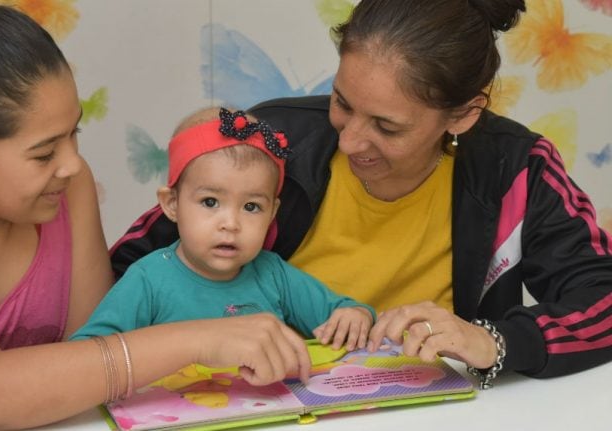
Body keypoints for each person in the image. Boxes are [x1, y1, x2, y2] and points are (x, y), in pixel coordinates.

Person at [0, 1, 312, 429]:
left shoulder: (69, 188)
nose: (71, 164)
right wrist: (199, 340)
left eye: (74, 133)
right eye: (44, 152)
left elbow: (91, 353)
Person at [110, 0, 612, 389]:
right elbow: (123, 271)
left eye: (387, 127)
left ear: (462, 114)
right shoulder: (270, 142)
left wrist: (490, 340)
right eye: (341, 103)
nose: (348, 141)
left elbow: (602, 298)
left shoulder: (515, 167)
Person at [72, 107, 376, 351]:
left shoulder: (274, 274)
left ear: (273, 213)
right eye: (210, 202)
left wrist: (355, 315)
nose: (231, 224)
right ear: (172, 204)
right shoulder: (147, 280)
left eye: (251, 207)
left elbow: (341, 313)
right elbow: (89, 354)